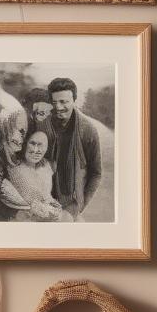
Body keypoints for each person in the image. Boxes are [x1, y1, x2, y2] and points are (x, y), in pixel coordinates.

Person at [47, 76, 103, 220]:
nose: (58, 107)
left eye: (63, 102)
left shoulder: (88, 129)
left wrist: (81, 205)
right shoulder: (45, 123)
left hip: (71, 201)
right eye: (54, 102)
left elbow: (96, 173)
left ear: (74, 100)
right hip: (45, 197)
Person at [2, 130, 70, 222]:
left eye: (41, 145)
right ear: (25, 143)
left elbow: (51, 196)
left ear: (47, 148)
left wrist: (53, 206)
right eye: (32, 144)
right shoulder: (12, 167)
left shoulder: (47, 166)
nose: (35, 150)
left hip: (49, 216)